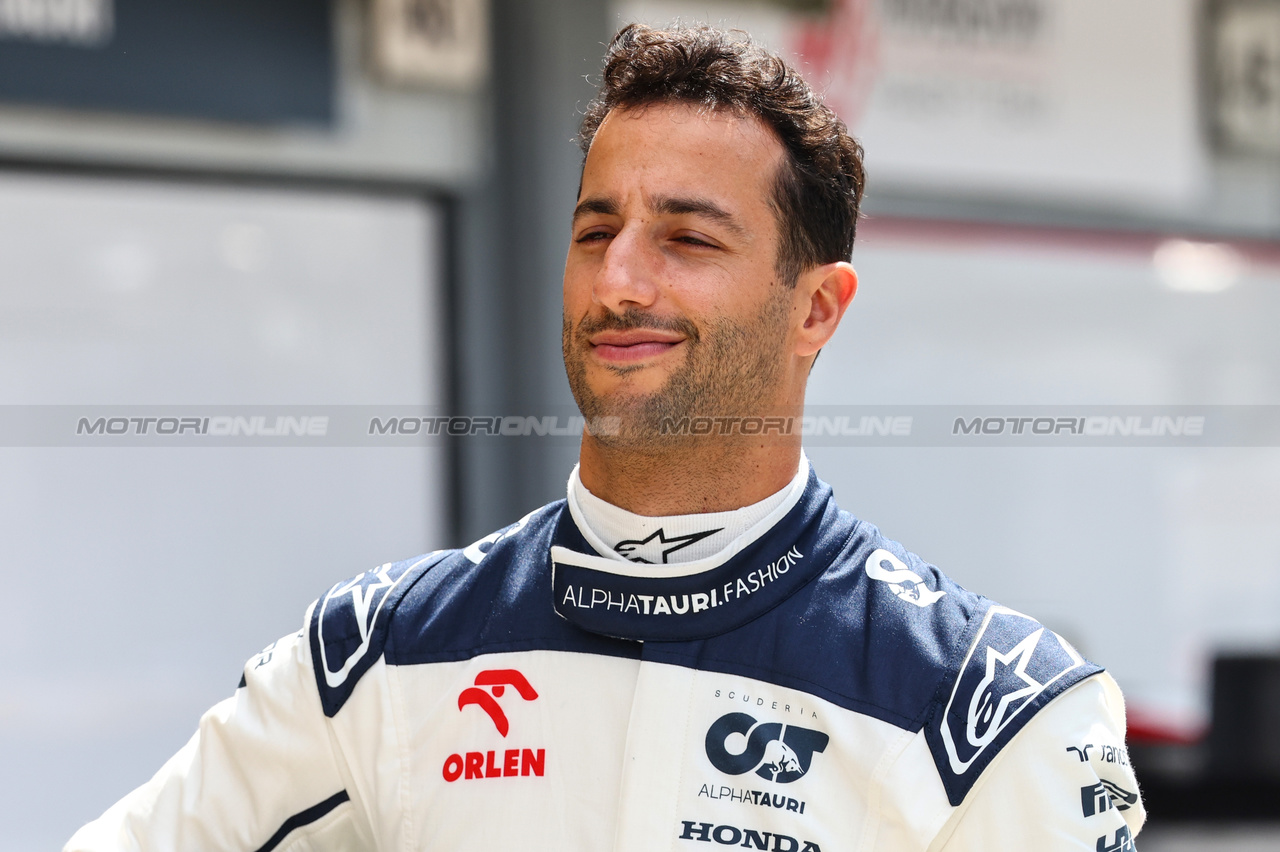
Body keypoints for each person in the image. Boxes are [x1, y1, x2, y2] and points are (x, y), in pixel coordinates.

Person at [66, 23, 1144, 852]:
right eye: (596, 232)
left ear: (815, 309)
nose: (620, 281)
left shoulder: (985, 713)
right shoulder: (383, 658)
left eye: (684, 237)